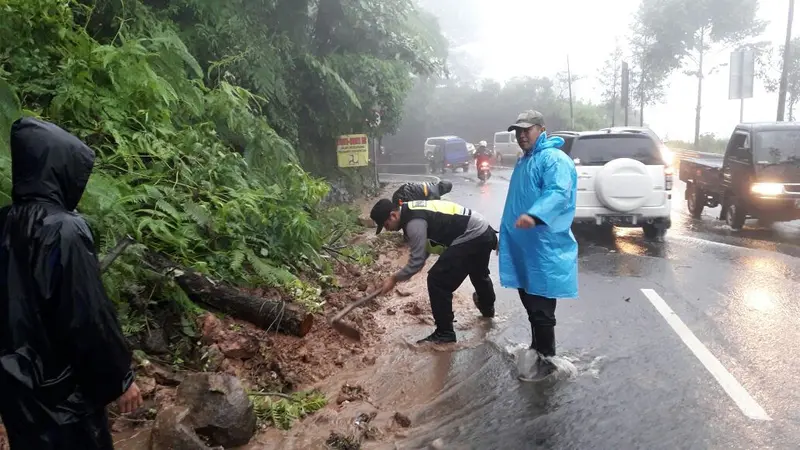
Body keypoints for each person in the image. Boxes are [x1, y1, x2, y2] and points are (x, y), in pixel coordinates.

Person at [0, 118, 143, 449]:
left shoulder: (6, 221)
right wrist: (120, 379)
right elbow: (88, 316)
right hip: (63, 397)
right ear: (58, 170)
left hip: (15, 391)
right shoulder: (64, 230)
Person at [498, 110, 578, 381]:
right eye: (518, 131)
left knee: (542, 305)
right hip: (522, 246)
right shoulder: (525, 161)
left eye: (527, 130)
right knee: (530, 301)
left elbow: (557, 192)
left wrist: (535, 215)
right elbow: (514, 204)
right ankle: (537, 350)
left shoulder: (554, 159)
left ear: (542, 129)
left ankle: (547, 361)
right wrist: (505, 237)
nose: (521, 135)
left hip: (543, 246)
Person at [370, 198, 497, 344]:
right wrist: (419, 260)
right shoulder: (412, 211)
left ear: (393, 215)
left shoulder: (413, 222)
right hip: (484, 231)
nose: (388, 229)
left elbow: (417, 261)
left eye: (386, 225)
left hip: (472, 235)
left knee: (437, 280)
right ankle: (487, 309)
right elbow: (424, 246)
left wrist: (394, 279)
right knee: (477, 270)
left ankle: (444, 333)